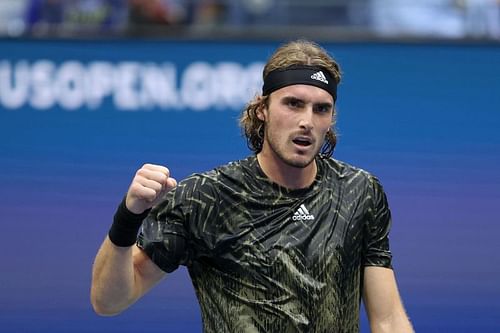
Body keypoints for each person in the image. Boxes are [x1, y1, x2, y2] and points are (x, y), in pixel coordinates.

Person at [91, 40, 414, 332]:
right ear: (262, 110)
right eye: (293, 104)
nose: (307, 121)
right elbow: (109, 302)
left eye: (321, 109)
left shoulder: (360, 191)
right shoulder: (204, 197)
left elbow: (388, 320)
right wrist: (129, 216)